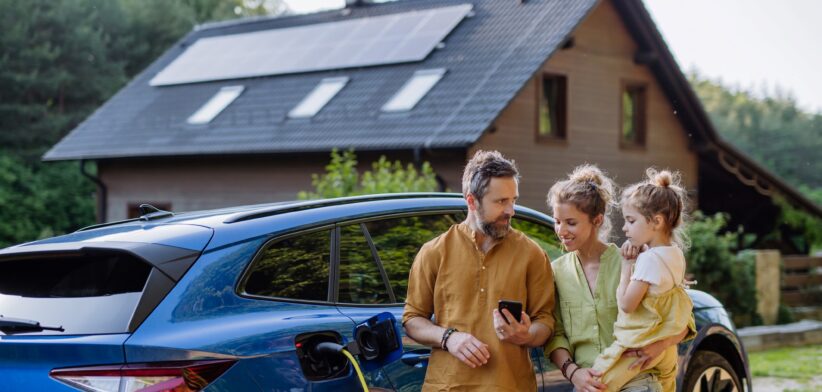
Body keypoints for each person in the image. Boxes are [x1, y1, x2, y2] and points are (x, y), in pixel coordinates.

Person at [403, 150, 556, 391]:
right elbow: (412, 319)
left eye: (513, 200)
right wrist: (449, 338)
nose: (511, 211)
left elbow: (545, 322)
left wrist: (526, 335)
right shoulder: (434, 252)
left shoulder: (532, 254)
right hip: (447, 386)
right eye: (500, 201)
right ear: (472, 201)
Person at [544, 164, 695, 392]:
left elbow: (681, 318)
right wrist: (574, 373)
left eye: (571, 223)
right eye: (557, 221)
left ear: (597, 220)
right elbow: (556, 335)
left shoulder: (637, 260)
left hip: (637, 377)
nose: (561, 230)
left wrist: (658, 346)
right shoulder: (556, 272)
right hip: (590, 382)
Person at [590, 168, 695, 392]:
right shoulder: (674, 253)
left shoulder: (648, 260)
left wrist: (627, 265)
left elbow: (627, 305)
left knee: (592, 384)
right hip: (665, 348)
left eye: (630, 220)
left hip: (638, 347)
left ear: (656, 221)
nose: (624, 228)